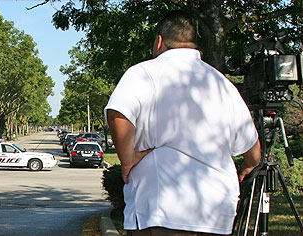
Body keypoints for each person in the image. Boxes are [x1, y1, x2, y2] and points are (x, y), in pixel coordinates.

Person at [105, 11, 261, 235]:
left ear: (159, 41)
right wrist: (248, 165)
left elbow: (118, 114)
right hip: (215, 212)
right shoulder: (221, 83)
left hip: (162, 209)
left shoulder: (143, 72)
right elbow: (252, 148)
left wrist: (127, 160)